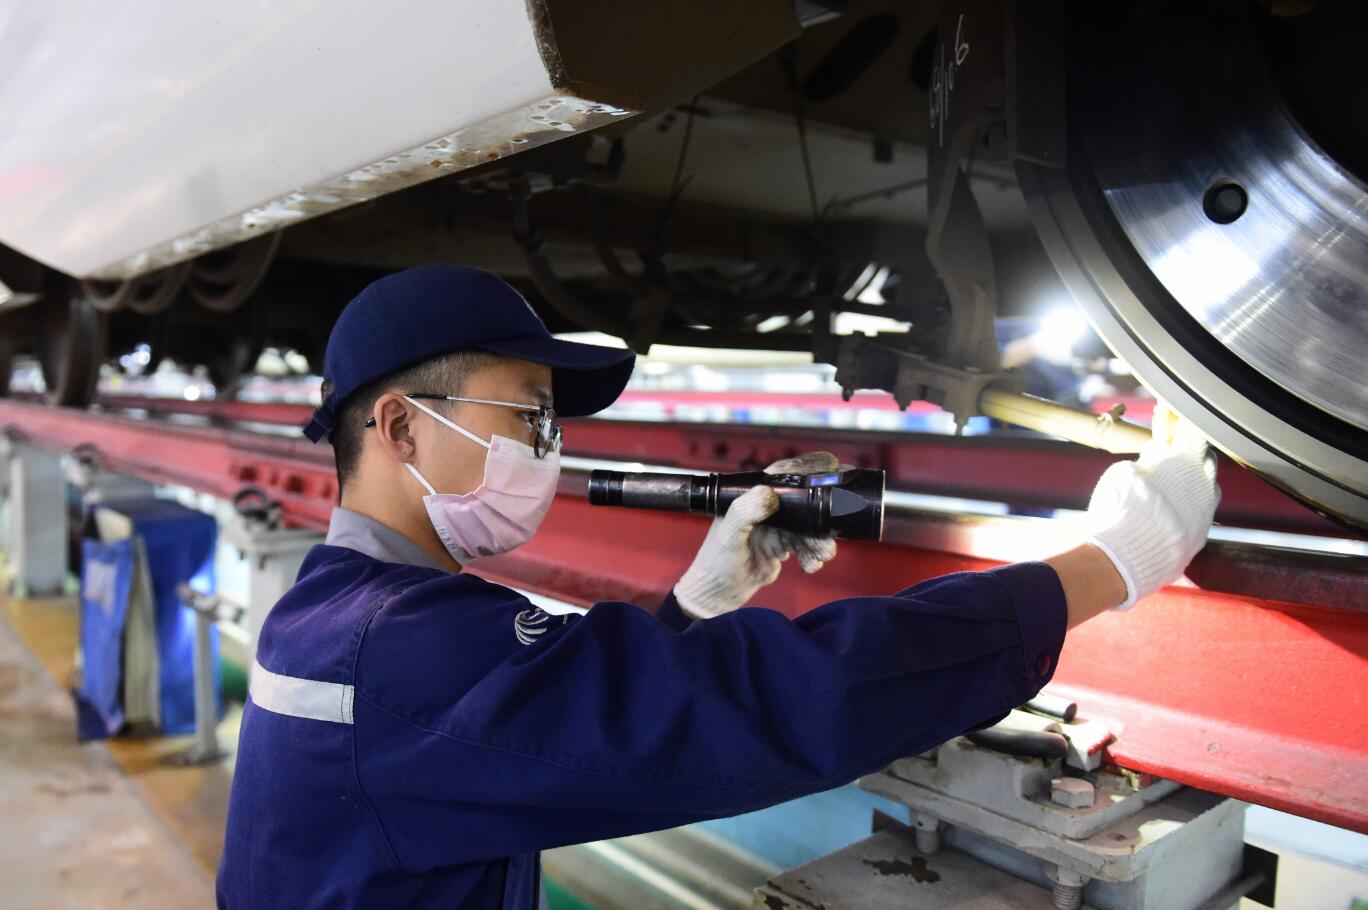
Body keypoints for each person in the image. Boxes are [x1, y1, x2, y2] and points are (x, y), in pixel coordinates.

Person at [217, 265, 1218, 909]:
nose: (547, 452)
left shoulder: (333, 612)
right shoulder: (400, 650)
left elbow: (538, 727)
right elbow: (764, 705)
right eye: (528, 417)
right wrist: (1106, 566)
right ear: (399, 429)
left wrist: (692, 606)